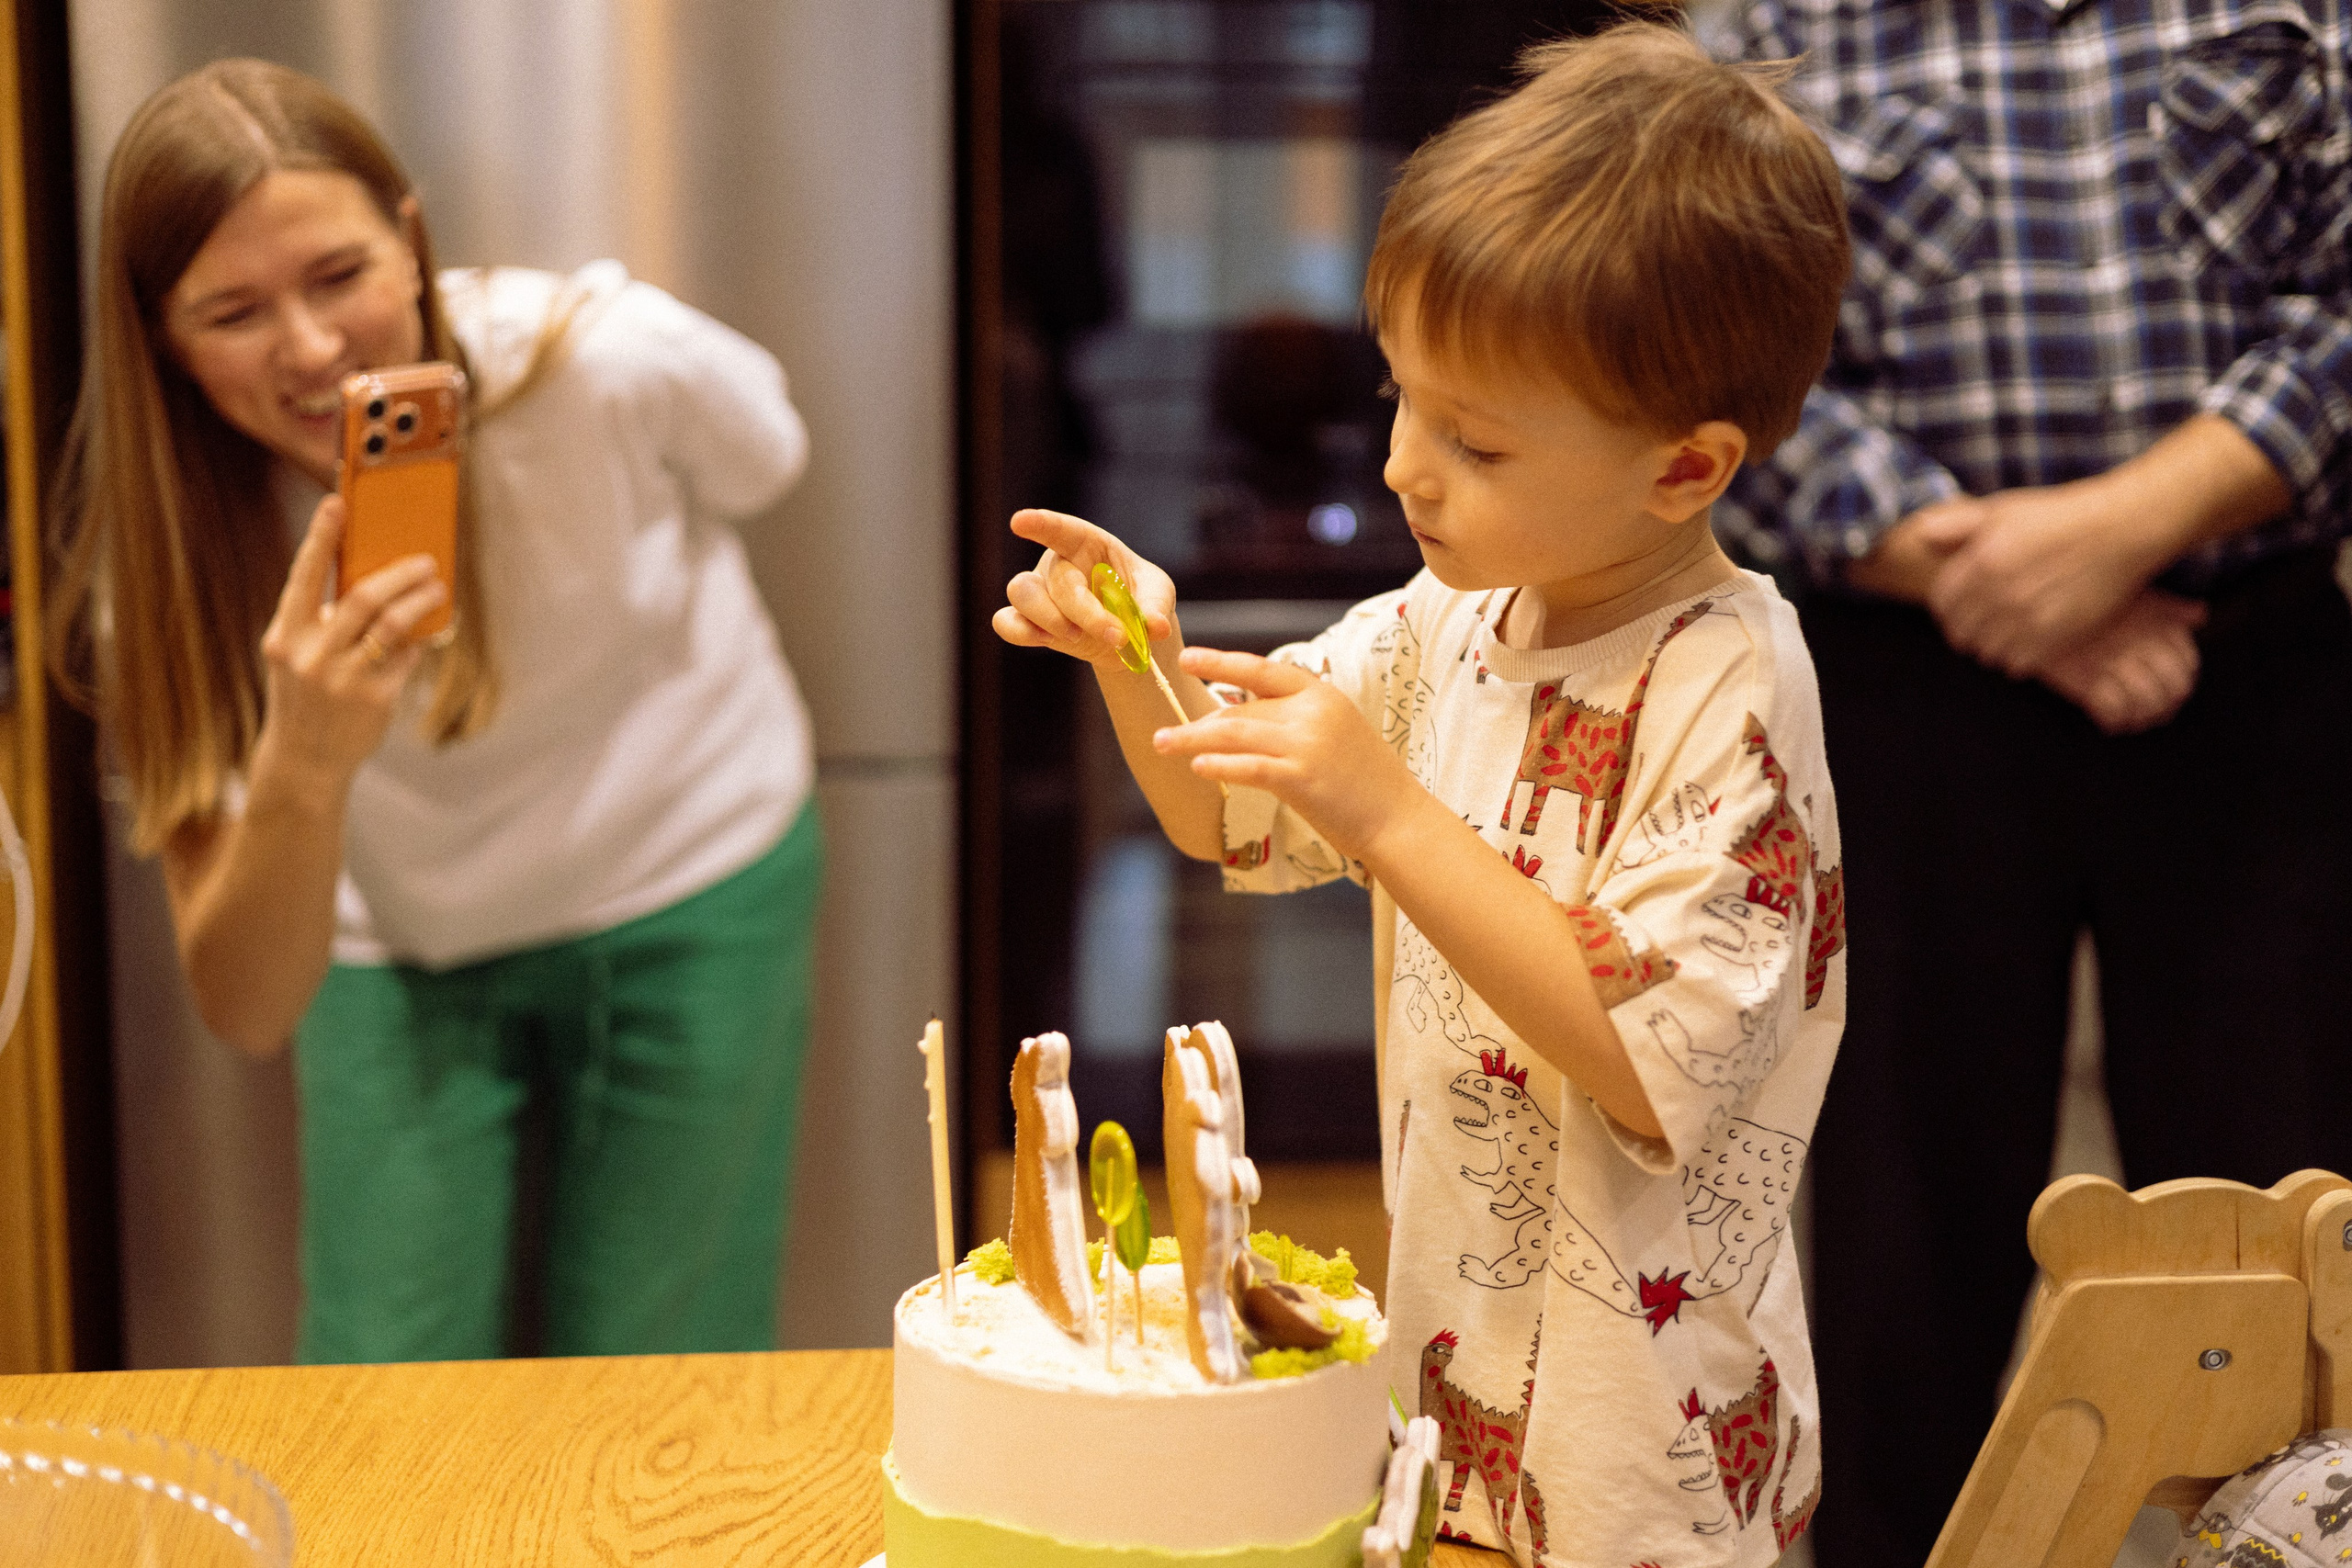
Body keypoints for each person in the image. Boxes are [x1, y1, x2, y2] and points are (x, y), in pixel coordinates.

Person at [997, 25, 1849, 1562]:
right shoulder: (1450, 618)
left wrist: (1391, 815)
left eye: (1477, 438)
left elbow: (1650, 1060)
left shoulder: (1733, 683)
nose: (1405, 467)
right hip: (1455, 1370)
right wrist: (1139, 657)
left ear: (1684, 468)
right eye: (1403, 398)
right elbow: (1227, 817)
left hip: (1643, 1424)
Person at [49, 60, 822, 1363]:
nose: (307, 350)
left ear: (411, 244)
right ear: (159, 338)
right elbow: (244, 1004)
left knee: (661, 1368)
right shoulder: (165, 572)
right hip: (393, 949)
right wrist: (306, 760)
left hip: (691, 872)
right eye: (231, 311)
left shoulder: (602, 363)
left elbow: (772, 456)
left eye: (338, 276)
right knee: (381, 1374)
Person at [1716, 0, 2352, 1556]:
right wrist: (1985, 579)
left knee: (2291, 1210)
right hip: (1900, 675)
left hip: (2249, 660)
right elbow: (1713, 345)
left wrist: (2119, 531)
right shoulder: (1766, 28)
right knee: (1899, 1234)